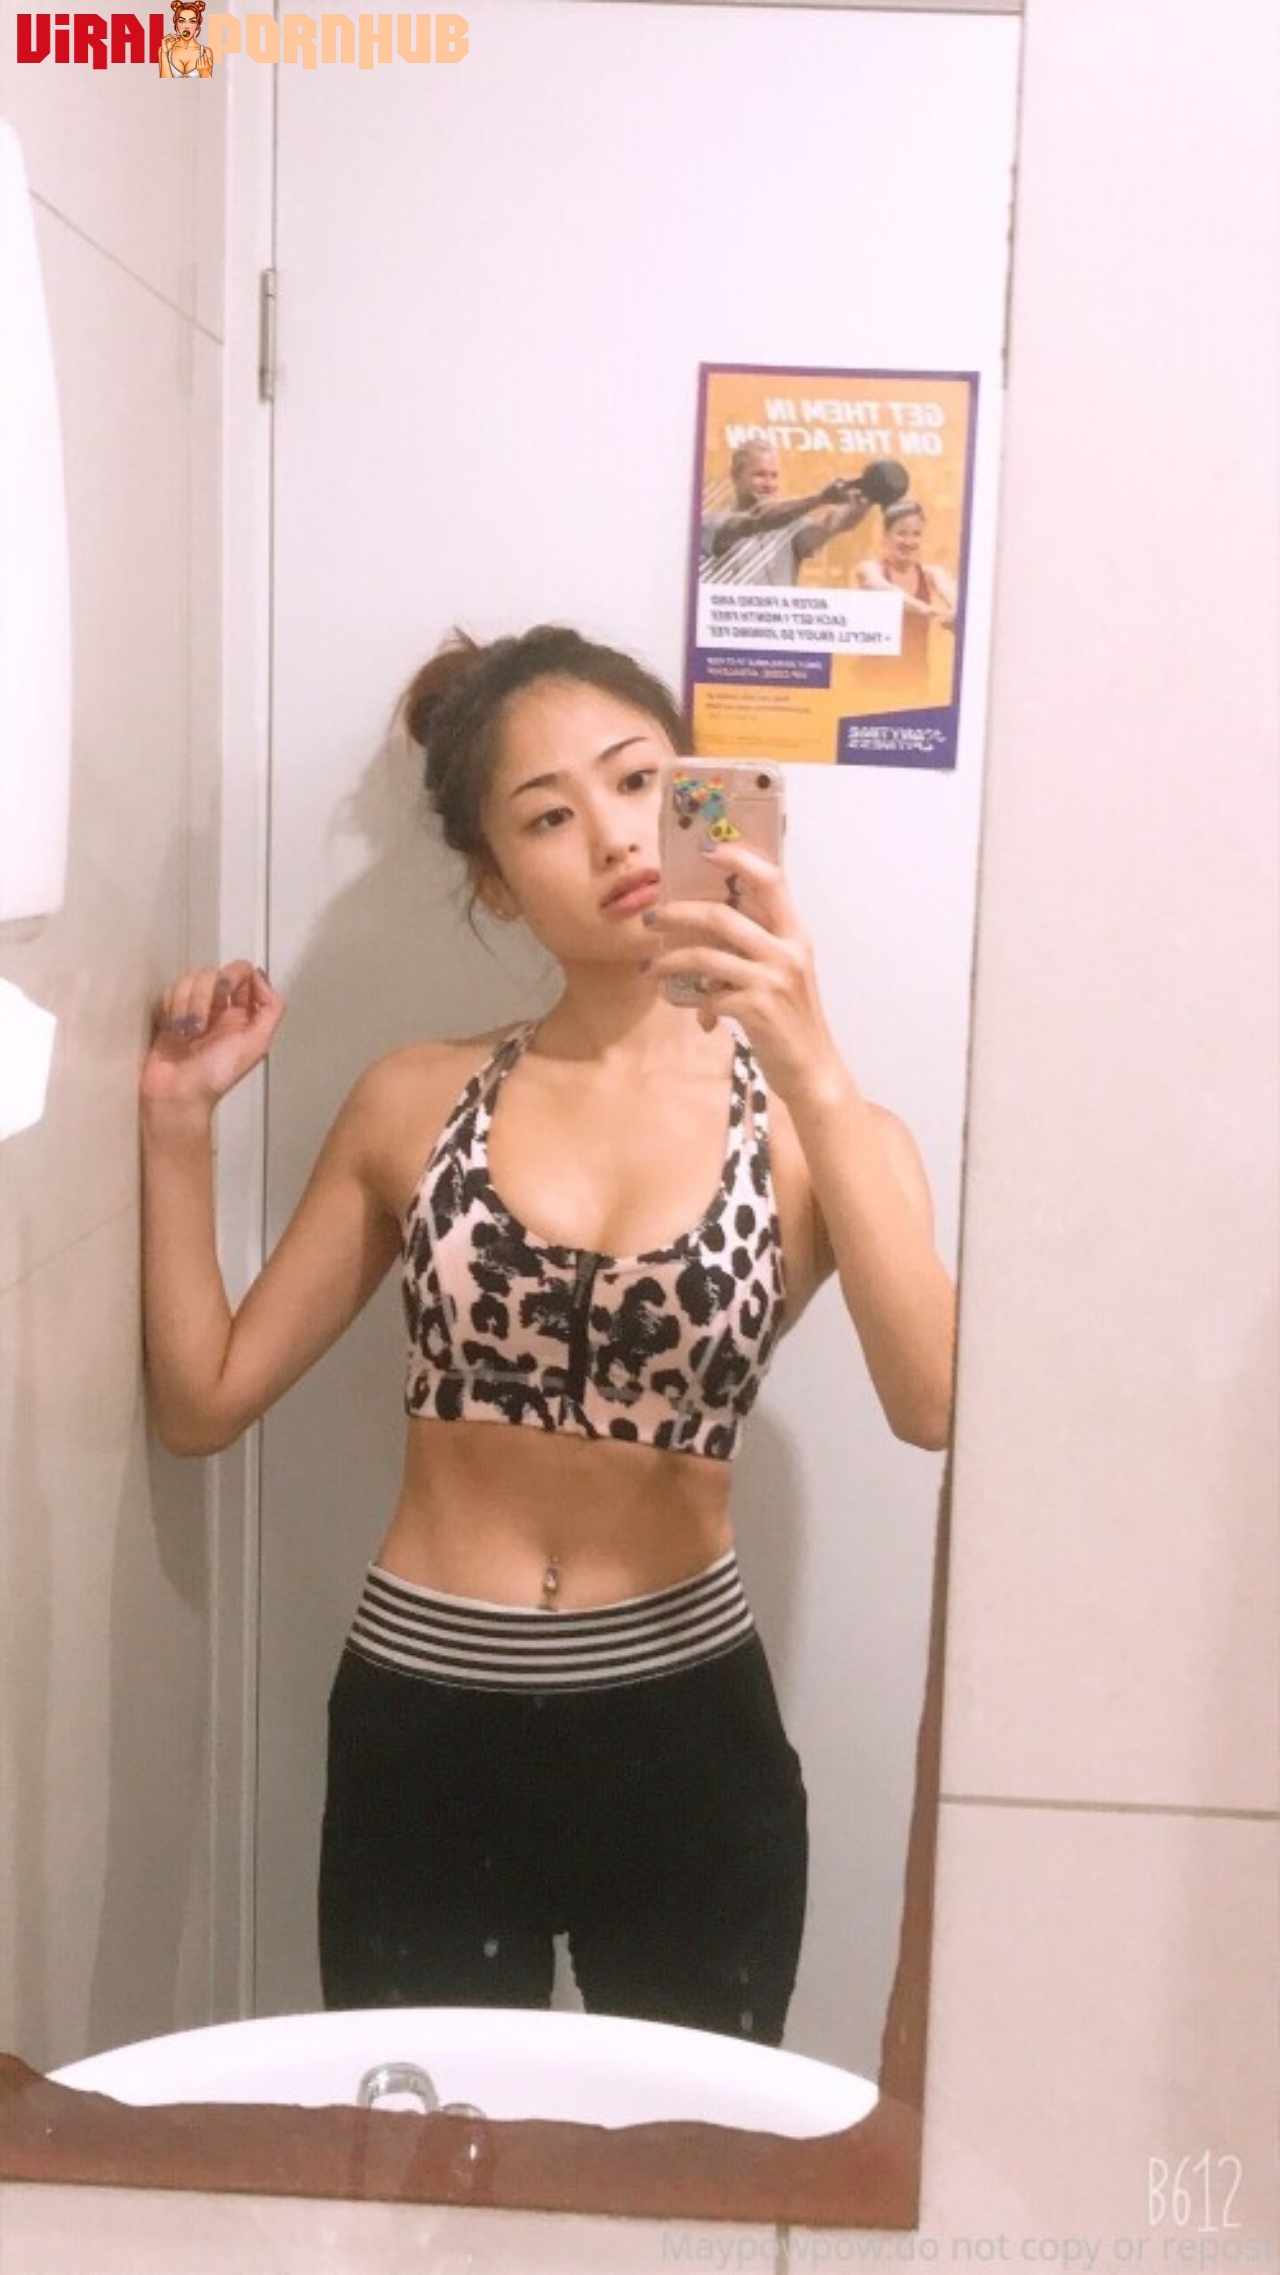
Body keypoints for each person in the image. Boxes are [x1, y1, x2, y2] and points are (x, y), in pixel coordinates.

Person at [140, 624, 955, 2045]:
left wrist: (810, 1054)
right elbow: (204, 1400)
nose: (615, 837)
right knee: (420, 2156)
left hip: (688, 1735)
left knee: (682, 2158)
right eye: (546, 816)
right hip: (424, 1727)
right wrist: (174, 1123)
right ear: (495, 883)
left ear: (704, 797)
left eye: (638, 782)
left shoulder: (827, 1129)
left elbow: (932, 1400)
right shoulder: (413, 1099)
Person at [700, 443, 904, 587]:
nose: (769, 484)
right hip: (731, 633)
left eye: (774, 476)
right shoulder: (712, 524)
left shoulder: (788, 528)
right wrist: (820, 498)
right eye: (760, 475)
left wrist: (867, 496)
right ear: (736, 476)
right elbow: (757, 519)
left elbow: (831, 525)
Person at [855, 498, 957, 629]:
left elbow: (958, 601)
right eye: (901, 533)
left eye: (916, 534)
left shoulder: (933, 573)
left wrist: (955, 615)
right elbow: (887, 592)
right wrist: (928, 610)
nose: (908, 542)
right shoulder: (869, 569)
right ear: (886, 534)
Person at [158, 0, 213, 75]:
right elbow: (164, 81)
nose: (187, 26)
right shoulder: (164, 49)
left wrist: (204, 72)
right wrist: (164, 53)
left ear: (197, 25)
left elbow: (210, 82)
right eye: (182, 21)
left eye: (192, 21)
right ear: (176, 24)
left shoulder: (206, 52)